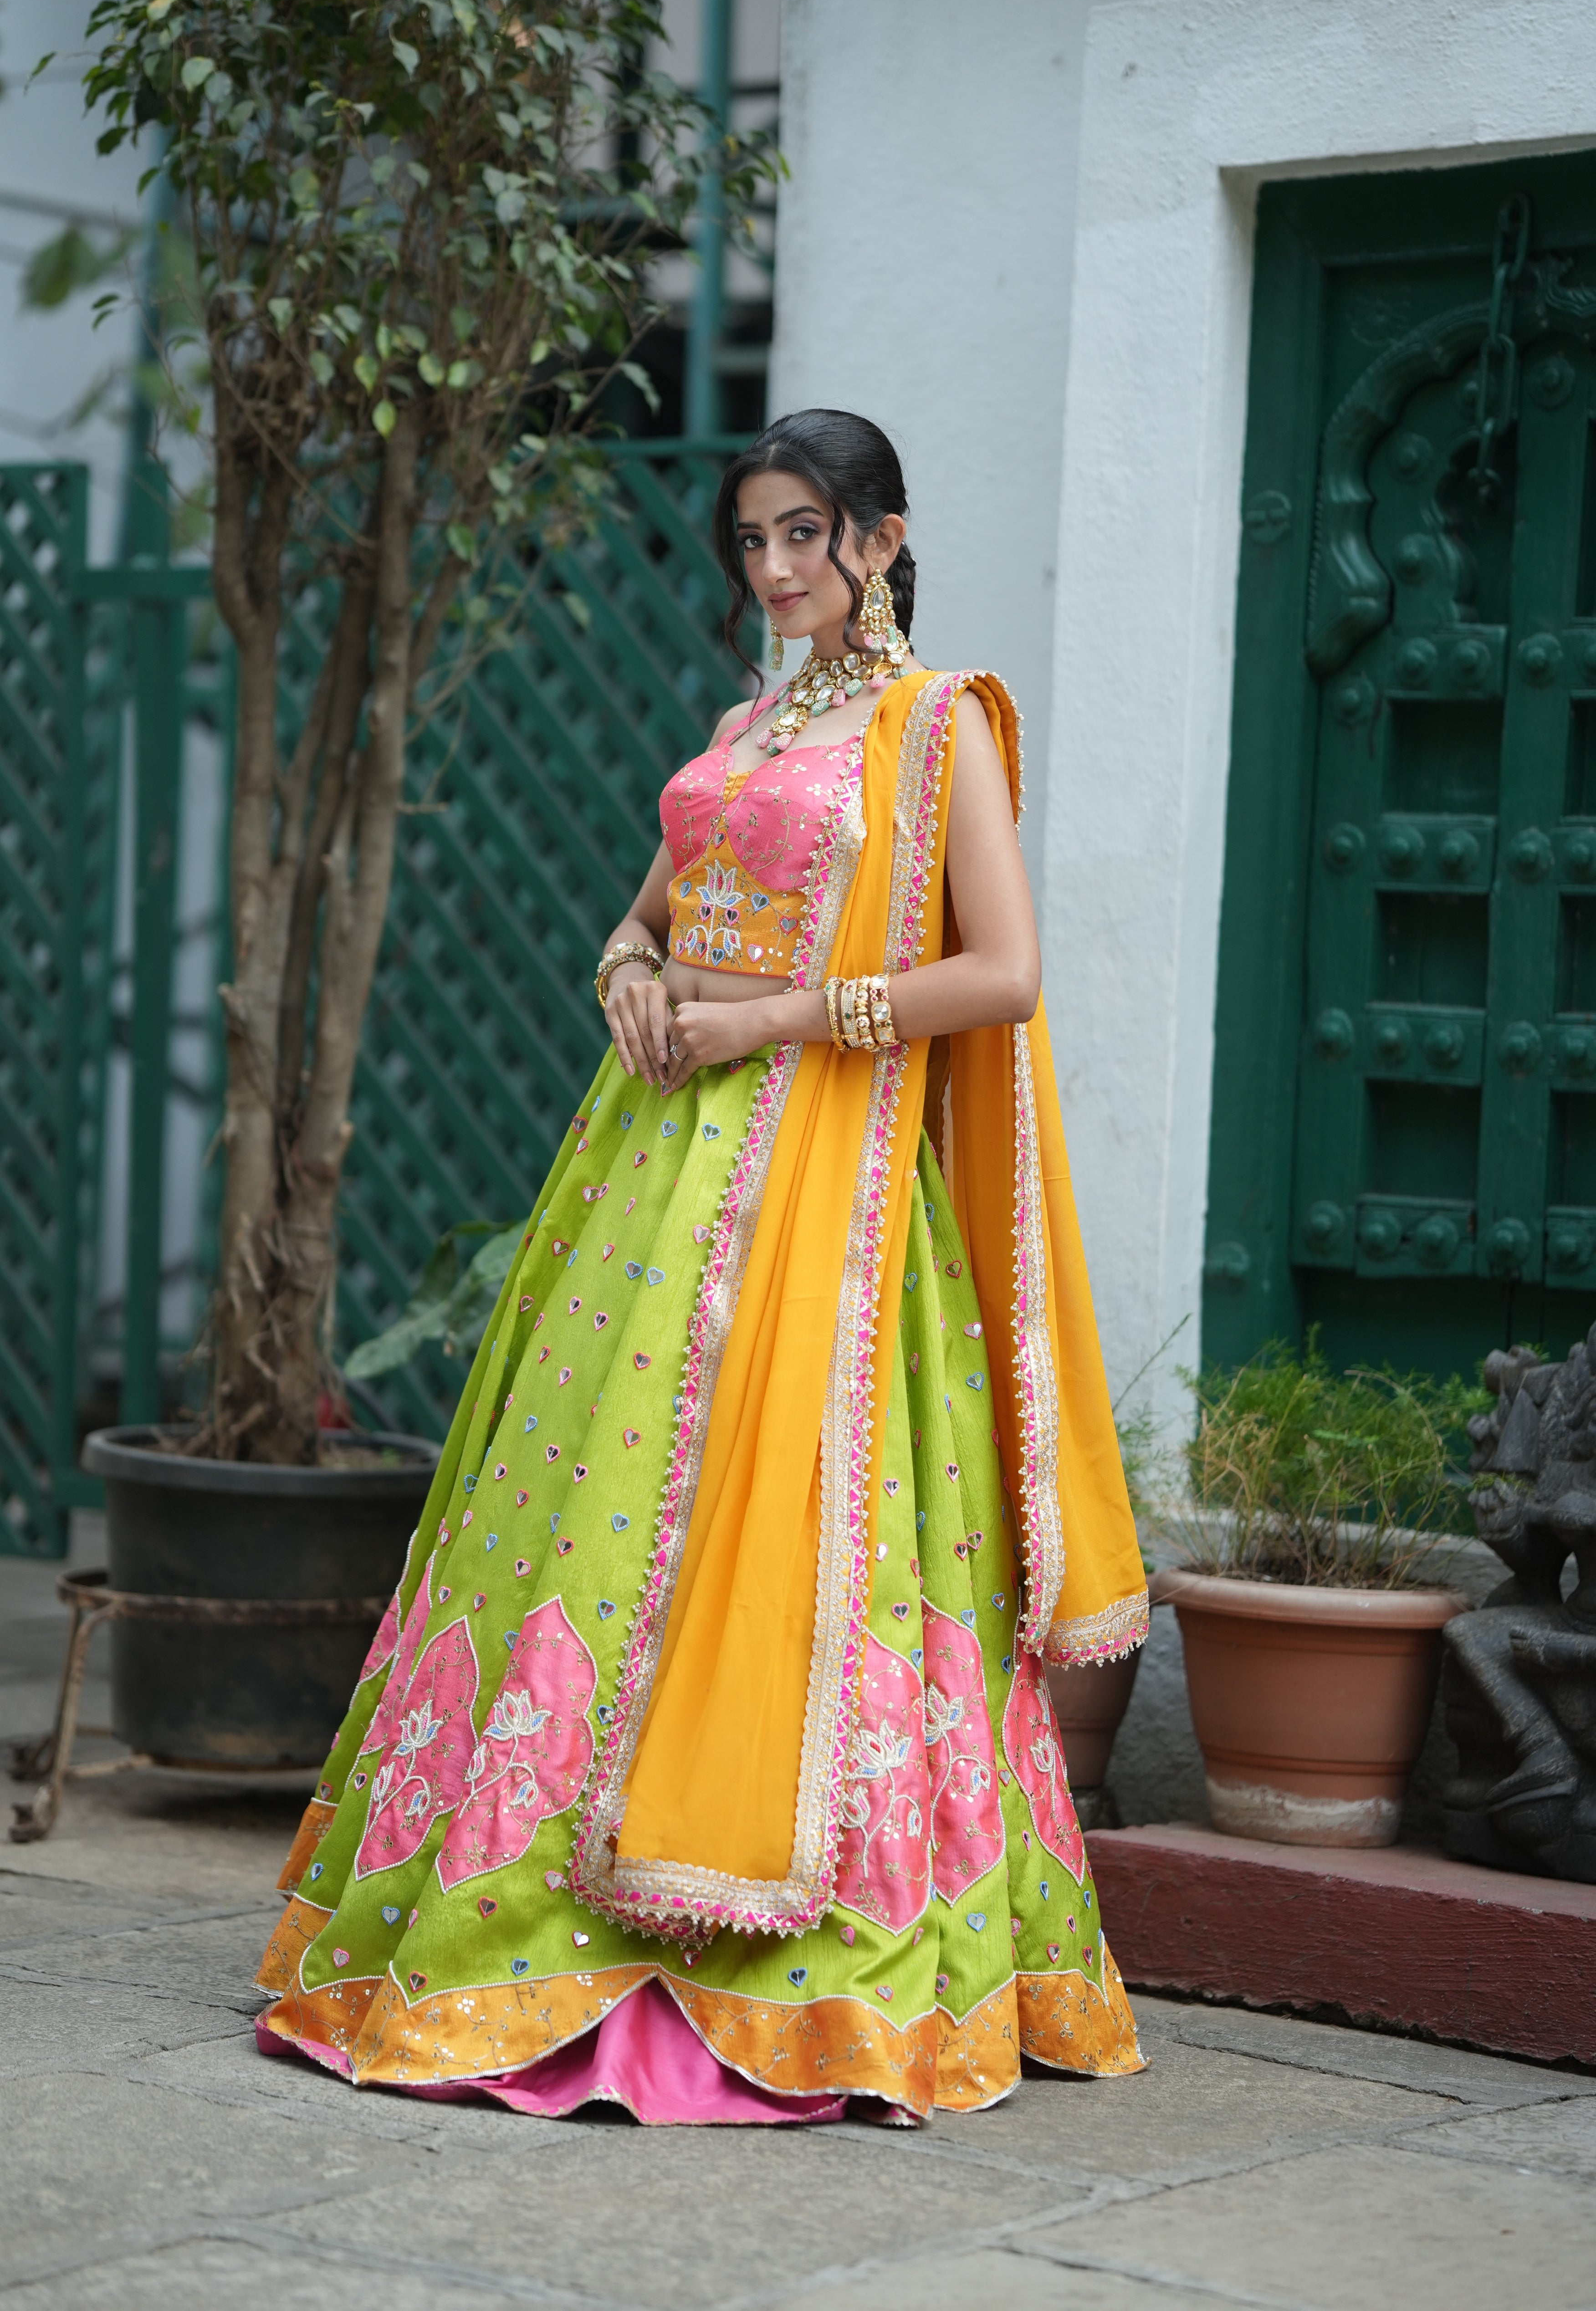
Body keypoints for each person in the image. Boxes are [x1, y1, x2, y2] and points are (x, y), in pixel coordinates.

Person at [256, 408, 1150, 2125]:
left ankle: (790, 1939)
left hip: (828, 1175)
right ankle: (527, 1915)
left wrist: (785, 1023)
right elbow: (645, 916)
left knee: (792, 1521)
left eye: (807, 533)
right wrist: (635, 985)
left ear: (882, 540)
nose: (775, 567)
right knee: (586, 1510)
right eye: (752, 539)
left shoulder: (931, 722)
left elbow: (1009, 975)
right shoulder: (751, 726)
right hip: (652, 1178)